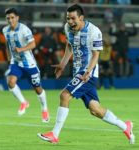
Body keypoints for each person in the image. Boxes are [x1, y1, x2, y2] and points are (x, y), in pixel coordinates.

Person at [37, 4, 135, 144]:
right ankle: (126, 126)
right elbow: (70, 45)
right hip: (78, 72)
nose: (70, 22)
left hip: (87, 73)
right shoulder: (67, 28)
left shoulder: (94, 31)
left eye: (73, 18)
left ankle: (54, 134)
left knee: (64, 96)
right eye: (68, 18)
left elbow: (96, 55)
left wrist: (88, 71)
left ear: (81, 17)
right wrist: (63, 64)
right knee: (95, 110)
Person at [2, 8, 49, 122]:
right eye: (8, 18)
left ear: (17, 18)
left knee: (38, 89)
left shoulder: (24, 29)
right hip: (16, 62)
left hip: (29, 64)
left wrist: (21, 49)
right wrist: (9, 56)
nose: (10, 20)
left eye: (12, 17)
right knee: (10, 82)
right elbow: (8, 43)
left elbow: (33, 44)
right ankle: (23, 102)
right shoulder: (5, 30)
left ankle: (44, 109)